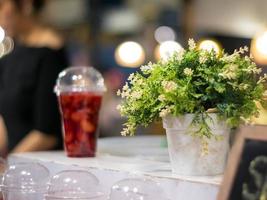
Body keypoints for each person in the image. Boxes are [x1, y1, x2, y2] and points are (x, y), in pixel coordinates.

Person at [0, 0, 68, 156]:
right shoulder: (9, 58)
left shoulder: (50, 54)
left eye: (1, 6)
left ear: (25, 5)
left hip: (42, 168)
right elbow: (5, 120)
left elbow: (47, 134)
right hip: (15, 166)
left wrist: (8, 167)